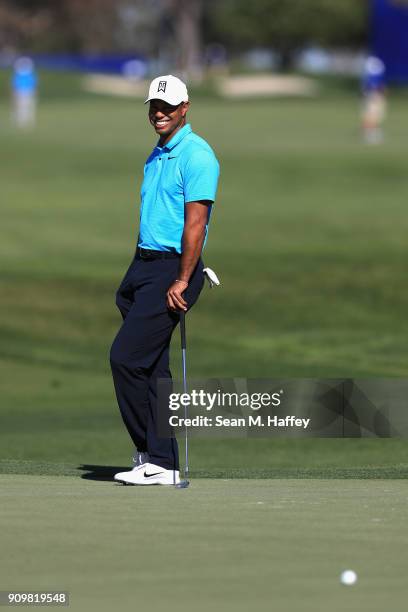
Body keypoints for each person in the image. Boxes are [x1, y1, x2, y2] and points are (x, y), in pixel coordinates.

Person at [111, 75, 220, 486]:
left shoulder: (197, 155)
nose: (159, 113)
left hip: (173, 269)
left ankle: (153, 455)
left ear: (185, 107)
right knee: (153, 368)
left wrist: (183, 278)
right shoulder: (158, 153)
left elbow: (196, 224)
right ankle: (161, 462)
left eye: (167, 107)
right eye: (154, 106)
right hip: (143, 268)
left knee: (124, 357)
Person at [361, 56, 386, 145]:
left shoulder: (373, 69)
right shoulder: (373, 69)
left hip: (372, 94)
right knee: (372, 114)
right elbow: (372, 85)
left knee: (373, 114)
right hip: (373, 94)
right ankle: (369, 134)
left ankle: (370, 133)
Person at [11, 57, 38, 129]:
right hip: (22, 91)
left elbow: (33, 84)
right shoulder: (20, 75)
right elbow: (15, 84)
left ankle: (26, 121)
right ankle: (22, 121)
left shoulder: (26, 74)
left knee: (26, 106)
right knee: (22, 106)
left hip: (26, 91)